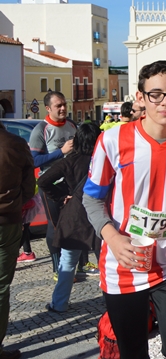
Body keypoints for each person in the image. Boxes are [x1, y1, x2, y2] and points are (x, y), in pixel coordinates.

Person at [83, 60, 166, 359]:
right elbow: (91, 199)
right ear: (140, 98)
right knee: (133, 353)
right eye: (155, 94)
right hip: (124, 265)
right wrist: (113, 238)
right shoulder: (113, 140)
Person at [37, 123, 102, 313]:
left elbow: (43, 180)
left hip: (75, 215)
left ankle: (59, 303)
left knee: (67, 262)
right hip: (100, 213)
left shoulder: (69, 161)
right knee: (105, 262)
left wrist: (60, 195)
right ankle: (113, 303)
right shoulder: (104, 160)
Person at [28, 91, 76, 277]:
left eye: (64, 104)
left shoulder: (72, 125)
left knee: (73, 222)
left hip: (72, 183)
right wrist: (61, 152)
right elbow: (34, 161)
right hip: (51, 184)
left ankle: (77, 265)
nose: (63, 108)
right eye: (58, 106)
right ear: (48, 108)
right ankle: (58, 268)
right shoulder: (41, 129)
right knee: (54, 225)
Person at [0, 121, 35, 359]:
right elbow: (29, 183)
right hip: (7, 221)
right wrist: (18, 204)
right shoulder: (15, 143)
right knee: (1, 286)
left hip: (9, 219)